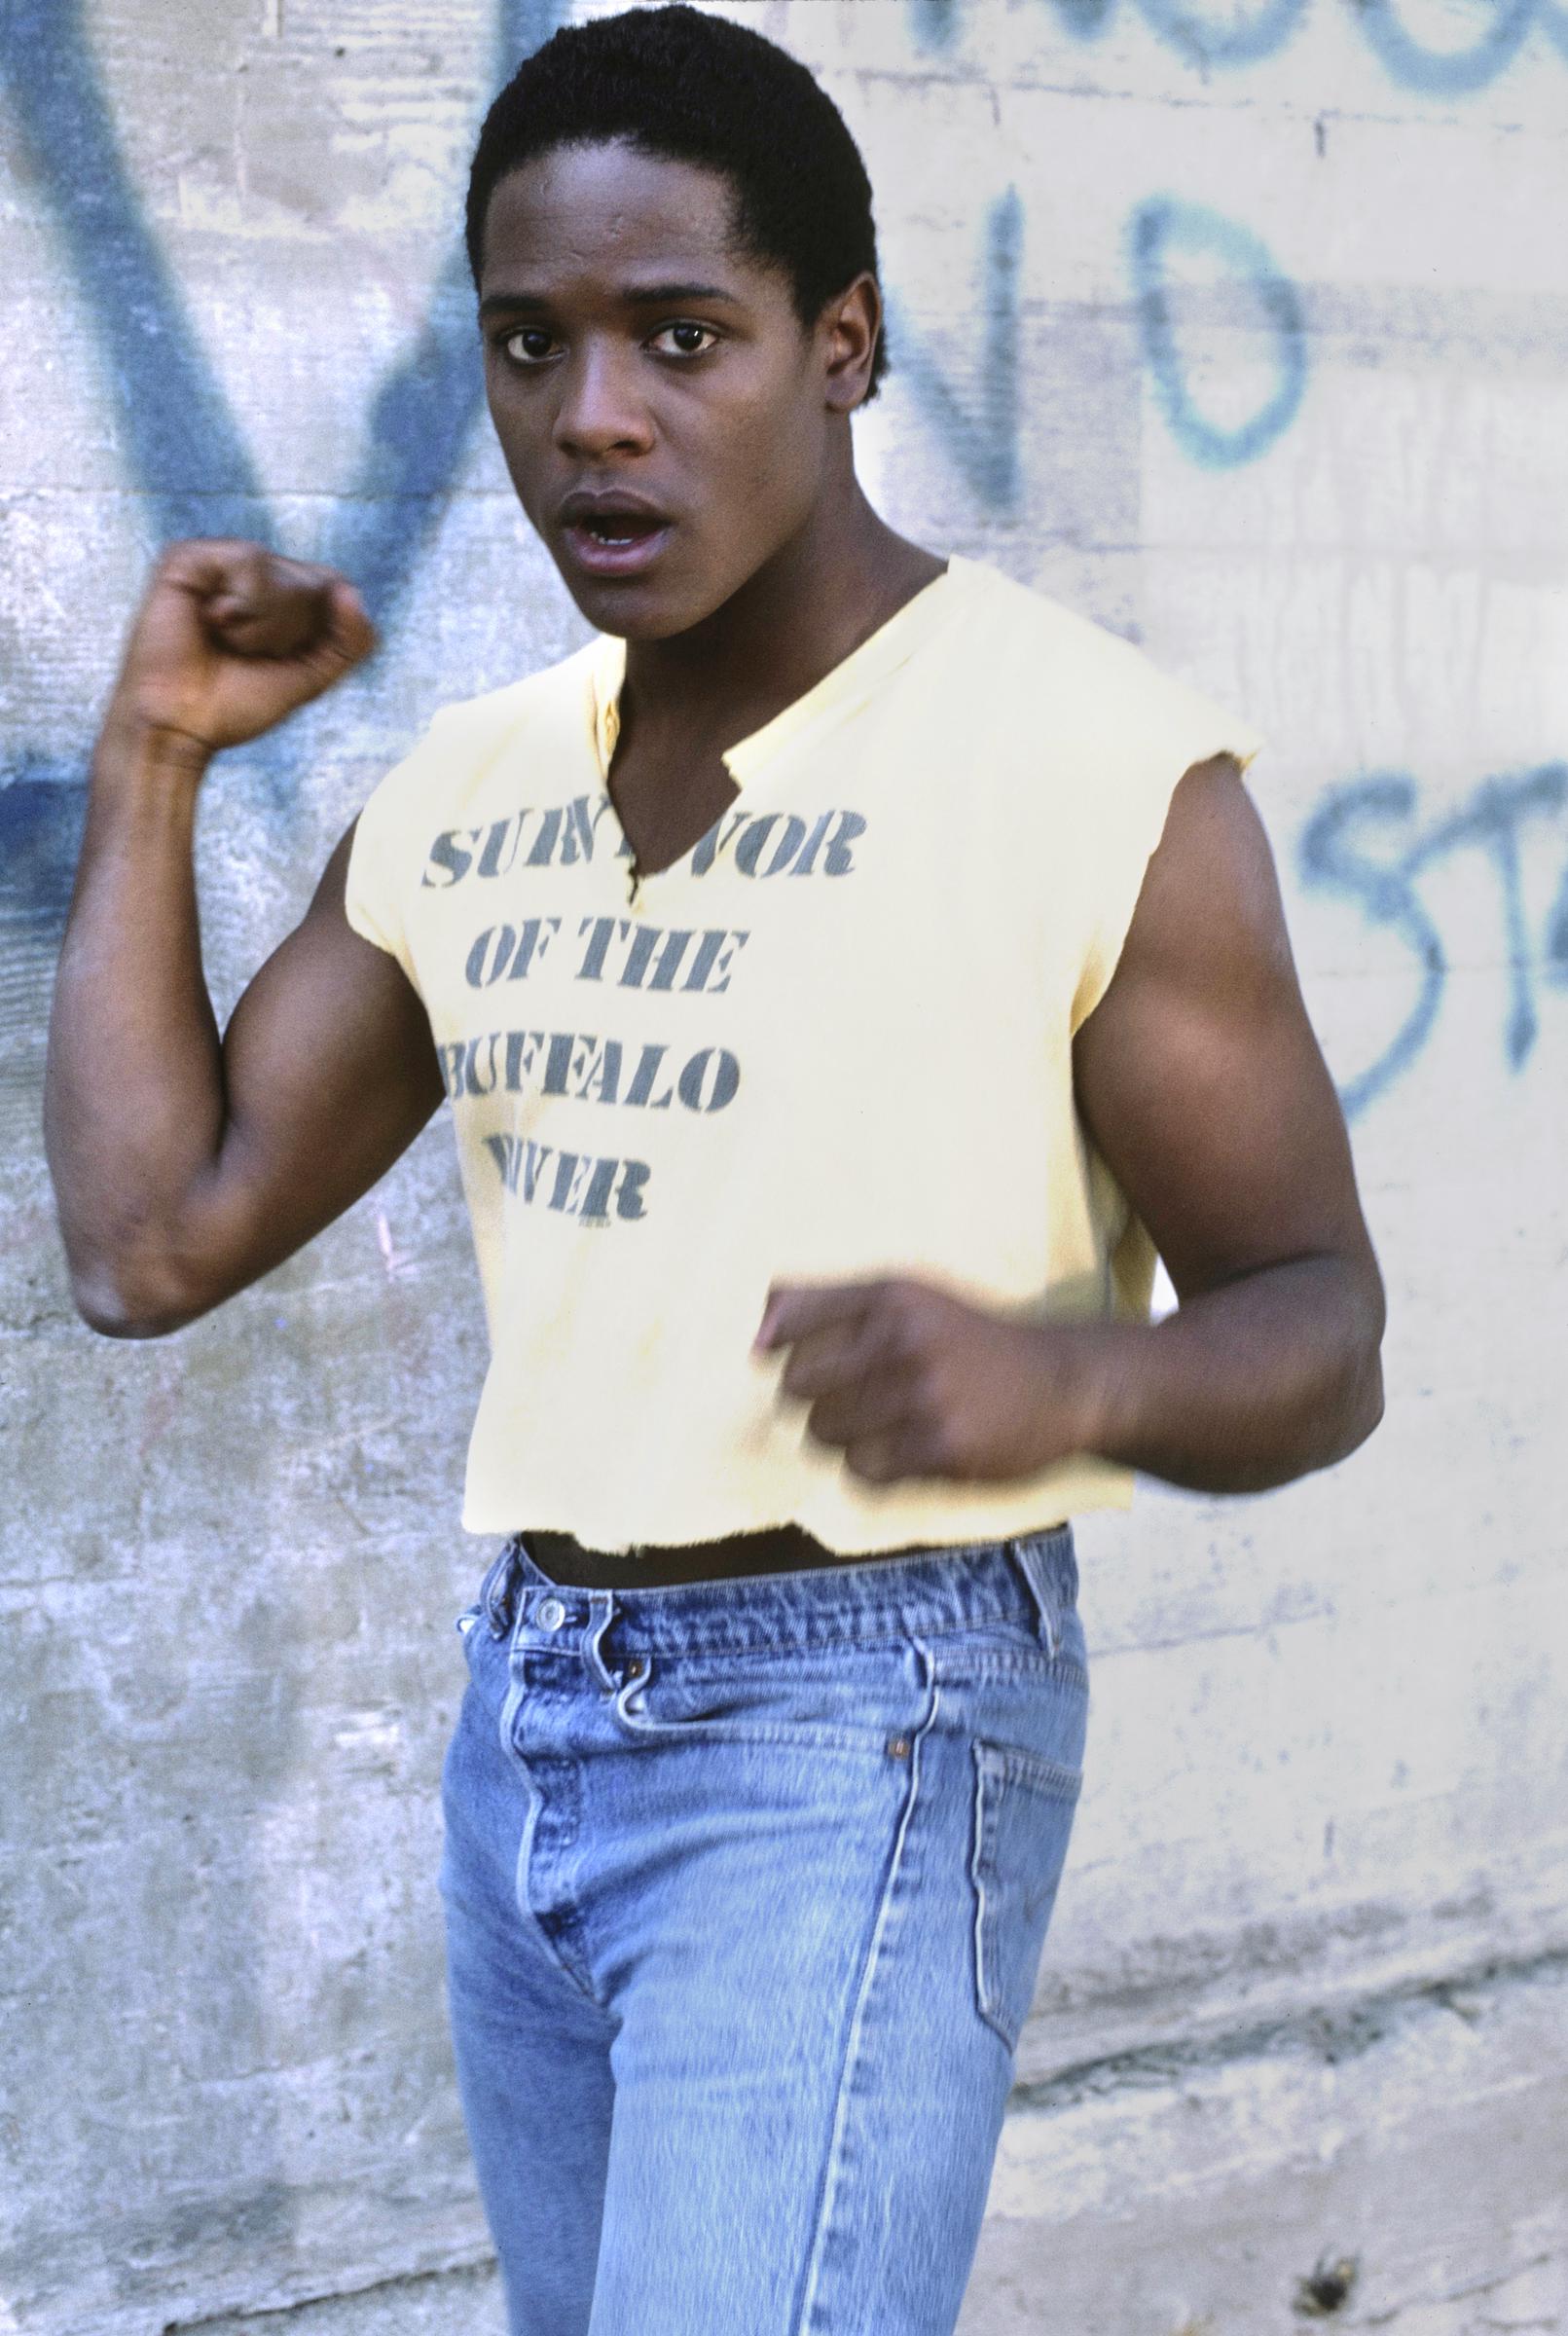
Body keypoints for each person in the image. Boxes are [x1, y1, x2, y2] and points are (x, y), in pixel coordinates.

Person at [43, 8, 1385, 2333]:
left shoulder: (1091, 770)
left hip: (854, 1726)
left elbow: (1318, 1325)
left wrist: (1073, 1386)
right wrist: (155, 751)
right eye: (528, 345)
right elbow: (152, 1239)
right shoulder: (473, 786)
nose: (594, 419)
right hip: (532, 1719)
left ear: (838, 346)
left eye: (683, 337)